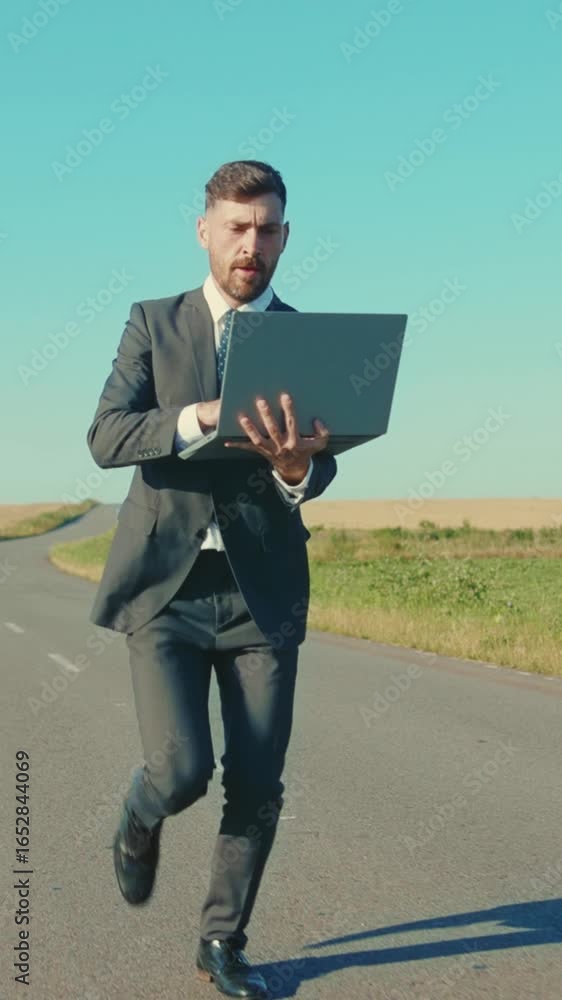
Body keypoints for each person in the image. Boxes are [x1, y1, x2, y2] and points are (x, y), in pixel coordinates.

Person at [86, 159, 337, 999]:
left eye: (266, 230)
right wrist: (196, 417)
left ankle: (222, 943)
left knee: (258, 784)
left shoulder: (307, 341)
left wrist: (298, 469)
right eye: (236, 227)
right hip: (166, 589)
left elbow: (323, 463)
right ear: (205, 231)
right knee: (183, 769)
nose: (250, 245)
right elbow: (107, 435)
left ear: (286, 238)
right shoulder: (152, 323)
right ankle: (141, 811)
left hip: (264, 593)